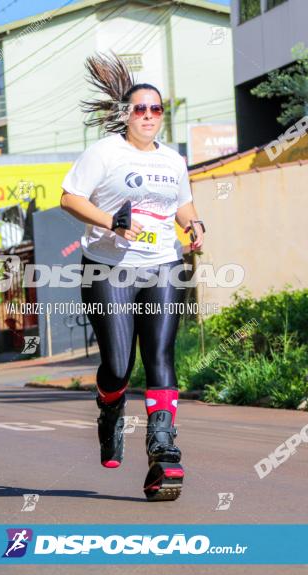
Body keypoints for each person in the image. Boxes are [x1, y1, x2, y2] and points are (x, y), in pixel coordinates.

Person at [60, 54, 205, 501]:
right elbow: (69, 198)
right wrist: (111, 223)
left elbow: (183, 203)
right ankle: (109, 413)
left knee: (161, 355)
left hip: (162, 263)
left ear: (162, 116)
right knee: (119, 364)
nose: (147, 116)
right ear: (126, 115)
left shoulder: (174, 160)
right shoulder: (104, 152)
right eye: (140, 109)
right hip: (109, 267)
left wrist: (194, 225)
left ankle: (162, 450)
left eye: (155, 109)